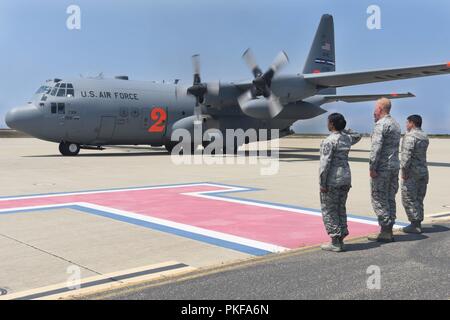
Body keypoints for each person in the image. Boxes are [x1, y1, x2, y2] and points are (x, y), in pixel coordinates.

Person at [319, 113, 361, 252]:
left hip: (333, 179)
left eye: (329, 122)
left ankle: (335, 241)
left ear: (331, 124)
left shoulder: (329, 141)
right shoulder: (346, 139)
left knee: (330, 210)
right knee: (340, 208)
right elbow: (358, 135)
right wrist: (344, 129)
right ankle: (341, 239)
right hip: (346, 177)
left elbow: (325, 165)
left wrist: (322, 183)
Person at [368, 98, 401, 242]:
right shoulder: (395, 124)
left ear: (380, 109)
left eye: (375, 108)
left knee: (379, 198)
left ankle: (385, 231)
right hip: (394, 167)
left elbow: (376, 148)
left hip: (382, 168)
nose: (374, 111)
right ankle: (389, 228)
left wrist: (372, 167)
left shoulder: (381, 124)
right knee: (389, 197)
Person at [401, 115, 429, 234]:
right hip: (423, 171)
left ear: (412, 123)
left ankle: (414, 224)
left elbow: (406, 157)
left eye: (407, 123)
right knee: (419, 198)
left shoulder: (410, 136)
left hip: (412, 173)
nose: (406, 125)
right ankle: (418, 222)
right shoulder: (424, 136)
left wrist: (404, 172)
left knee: (408, 198)